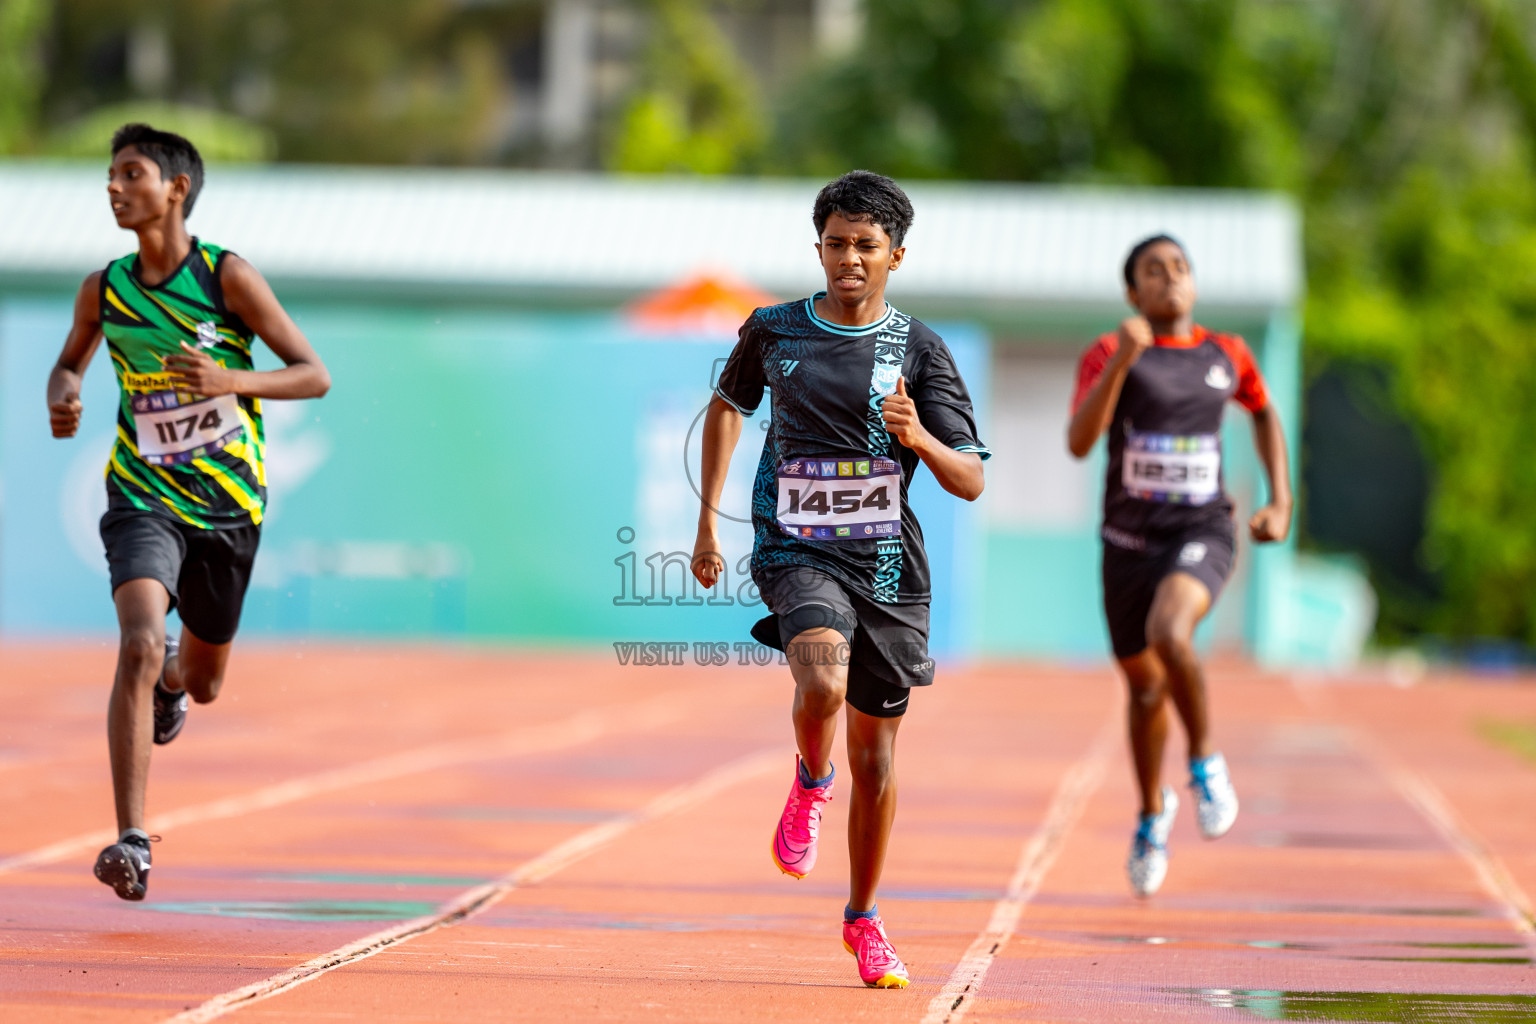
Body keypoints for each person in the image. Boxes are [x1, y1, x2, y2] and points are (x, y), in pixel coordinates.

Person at [691, 170, 989, 988]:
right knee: (818, 679)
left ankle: (863, 919)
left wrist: (920, 437)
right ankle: (810, 780)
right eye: (836, 244)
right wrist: (708, 519)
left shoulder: (920, 350)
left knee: (880, 758)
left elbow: (971, 479)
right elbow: (726, 408)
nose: (849, 259)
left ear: (897, 254)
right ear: (817, 246)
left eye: (866, 246)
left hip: (888, 565)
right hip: (797, 550)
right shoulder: (775, 331)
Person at [46, 124, 331, 901]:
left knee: (201, 682)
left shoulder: (226, 276)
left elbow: (313, 375)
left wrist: (228, 381)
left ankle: (176, 680)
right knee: (138, 640)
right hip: (140, 494)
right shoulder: (103, 288)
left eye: (130, 173)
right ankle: (132, 842)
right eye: (108, 175)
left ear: (176, 188)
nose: (113, 187)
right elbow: (70, 361)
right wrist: (63, 393)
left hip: (227, 504)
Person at [1067, 234, 1291, 897]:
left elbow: (1265, 413)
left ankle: (1203, 760)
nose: (1170, 279)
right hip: (1127, 545)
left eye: (1180, 268)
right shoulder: (1111, 353)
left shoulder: (1227, 354)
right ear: (1133, 294)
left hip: (1202, 531)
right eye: (1153, 273)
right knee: (1142, 690)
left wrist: (1280, 500)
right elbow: (1080, 442)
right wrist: (1125, 359)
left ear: (1193, 283)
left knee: (1173, 633)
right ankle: (1150, 813)